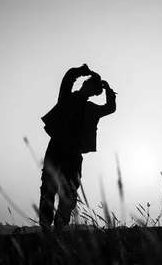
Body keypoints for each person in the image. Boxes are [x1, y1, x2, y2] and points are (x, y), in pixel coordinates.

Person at [39, 63, 116, 231]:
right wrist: (83, 71)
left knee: (69, 191)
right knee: (48, 187)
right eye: (88, 84)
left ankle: (59, 226)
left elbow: (110, 108)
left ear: (94, 93)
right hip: (56, 148)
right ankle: (45, 227)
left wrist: (108, 89)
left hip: (73, 153)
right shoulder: (66, 97)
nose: (88, 88)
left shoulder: (91, 109)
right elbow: (68, 78)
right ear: (83, 84)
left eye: (93, 88)